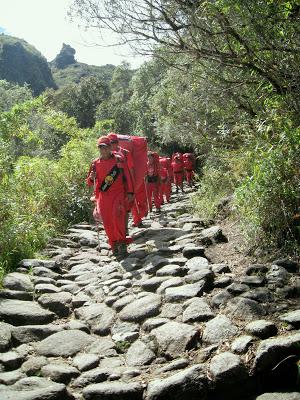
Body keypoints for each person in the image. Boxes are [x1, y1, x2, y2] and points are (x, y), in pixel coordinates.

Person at [86, 136, 134, 259]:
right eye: (101, 147)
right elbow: (90, 182)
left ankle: (122, 244)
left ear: (110, 147)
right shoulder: (95, 164)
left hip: (118, 194)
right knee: (107, 222)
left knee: (118, 218)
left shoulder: (119, 160)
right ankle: (114, 245)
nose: (103, 150)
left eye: (105, 147)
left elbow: (128, 176)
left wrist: (130, 192)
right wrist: (92, 177)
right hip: (103, 197)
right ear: (99, 149)